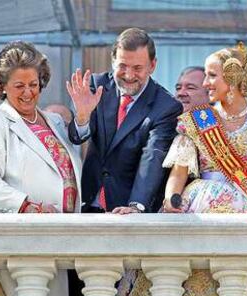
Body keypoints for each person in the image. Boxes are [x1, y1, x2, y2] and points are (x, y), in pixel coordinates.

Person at [117, 43, 247, 296]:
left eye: (212, 75)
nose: (206, 82)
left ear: (232, 78)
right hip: (197, 207)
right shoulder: (197, 121)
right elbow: (179, 170)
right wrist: (170, 200)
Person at [0, 41, 82, 296]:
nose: (28, 92)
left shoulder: (54, 121)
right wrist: (28, 205)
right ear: (2, 86)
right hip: (20, 238)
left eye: (34, 85)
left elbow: (70, 164)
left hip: (59, 236)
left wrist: (83, 116)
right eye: (19, 86)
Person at [67, 27, 182, 214]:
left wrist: (136, 205)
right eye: (122, 66)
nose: (129, 75)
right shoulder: (97, 86)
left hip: (127, 210)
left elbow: (153, 156)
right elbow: (76, 138)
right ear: (113, 61)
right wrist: (82, 116)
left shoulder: (166, 106)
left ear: (152, 66)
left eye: (137, 68)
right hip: (87, 204)